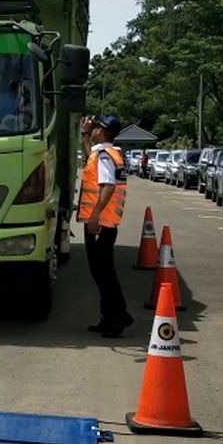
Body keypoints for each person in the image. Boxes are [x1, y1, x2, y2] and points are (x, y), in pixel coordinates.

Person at [78, 114, 133, 337]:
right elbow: (90, 154)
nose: (93, 129)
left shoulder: (104, 156)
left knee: (103, 273)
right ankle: (108, 316)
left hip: (100, 223)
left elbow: (108, 185)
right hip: (105, 222)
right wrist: (83, 133)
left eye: (95, 127)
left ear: (102, 130)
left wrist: (95, 215)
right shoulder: (106, 153)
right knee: (102, 272)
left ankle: (119, 316)